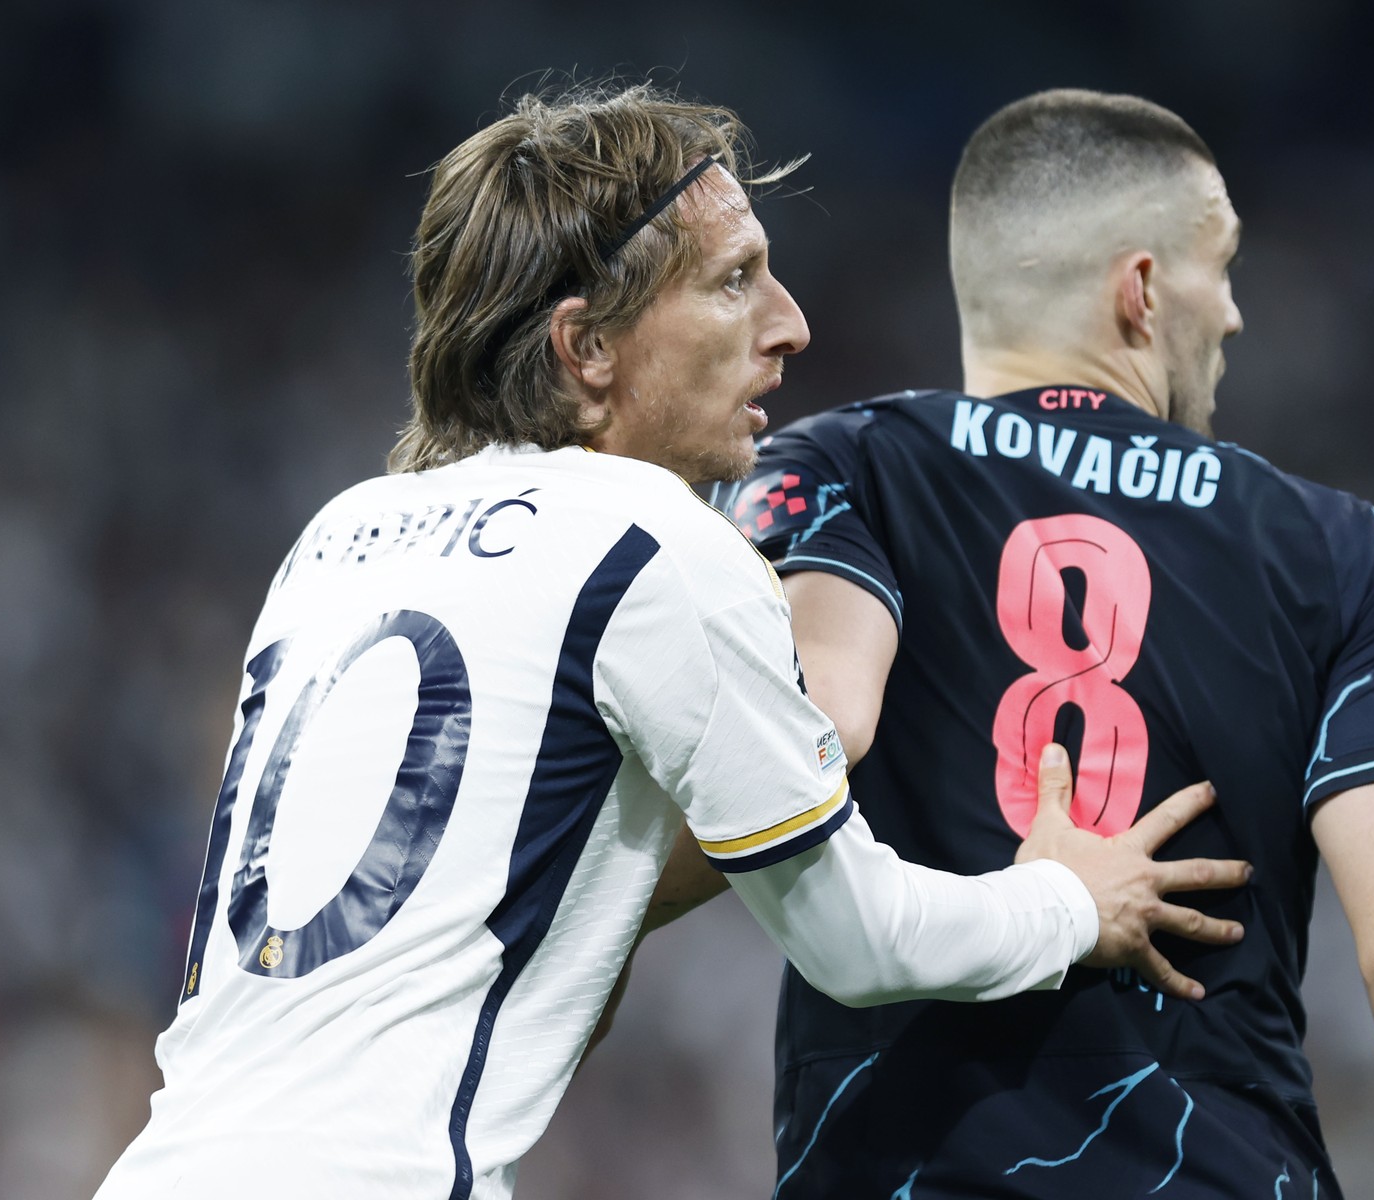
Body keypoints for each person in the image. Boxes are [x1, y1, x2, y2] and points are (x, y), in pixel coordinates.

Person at [91, 84, 1253, 1200]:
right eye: (735, 281)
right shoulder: (652, 542)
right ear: (586, 347)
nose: (790, 325)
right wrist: (1064, 901)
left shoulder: (338, 536)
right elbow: (853, 939)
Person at [702, 90, 1374, 1197]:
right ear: (1142, 289)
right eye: (1225, 266)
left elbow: (814, 729)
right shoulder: (1345, 550)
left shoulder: (831, 467)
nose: (1236, 313)